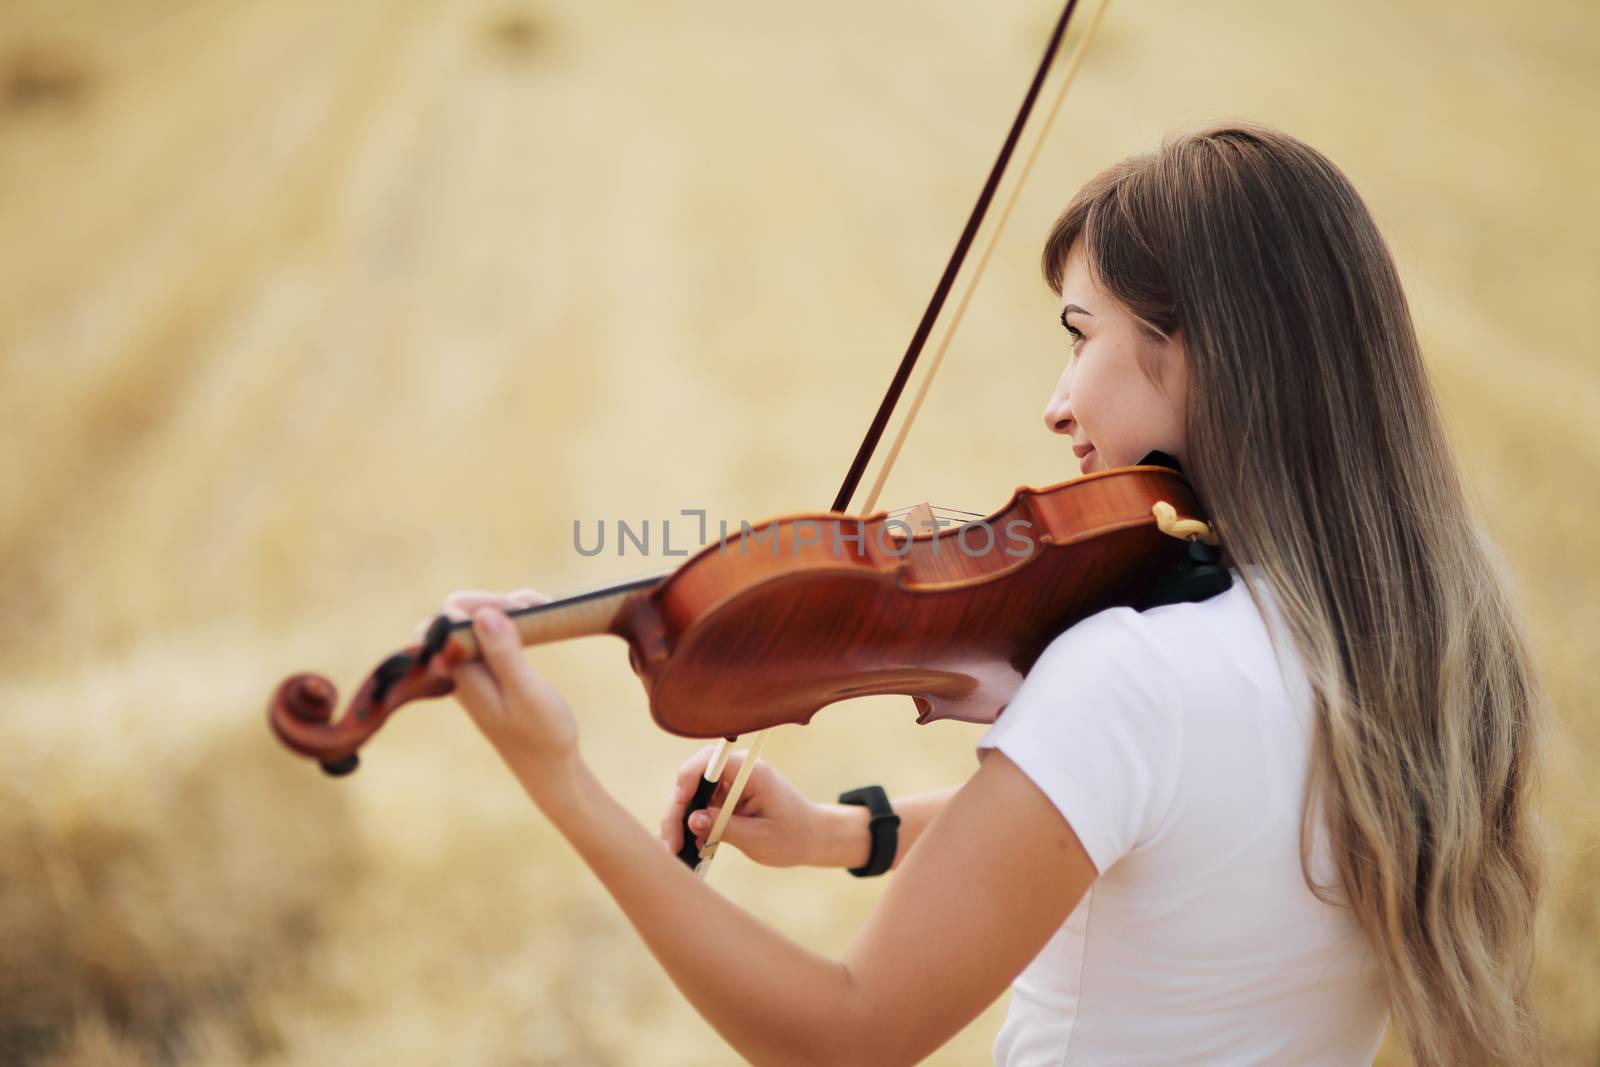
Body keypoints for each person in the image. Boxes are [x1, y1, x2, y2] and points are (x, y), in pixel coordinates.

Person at [439, 123, 1546, 1066]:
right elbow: (1146, 828)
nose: (1057, 404)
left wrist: (561, 779)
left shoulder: (1132, 672)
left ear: (1204, 351)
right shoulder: (1427, 644)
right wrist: (842, 833)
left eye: (1081, 336)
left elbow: (844, 1031)